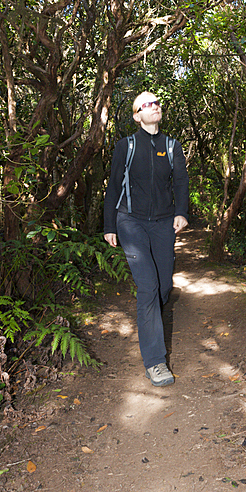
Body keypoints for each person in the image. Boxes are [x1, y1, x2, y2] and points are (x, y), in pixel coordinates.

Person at [103, 92, 189, 386]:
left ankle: (148, 319)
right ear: (137, 116)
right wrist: (109, 226)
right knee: (148, 286)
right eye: (147, 104)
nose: (154, 106)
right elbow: (114, 186)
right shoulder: (125, 146)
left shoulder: (171, 145)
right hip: (130, 222)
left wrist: (181, 212)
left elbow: (180, 181)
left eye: (157, 103)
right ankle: (155, 362)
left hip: (163, 223)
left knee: (164, 286)